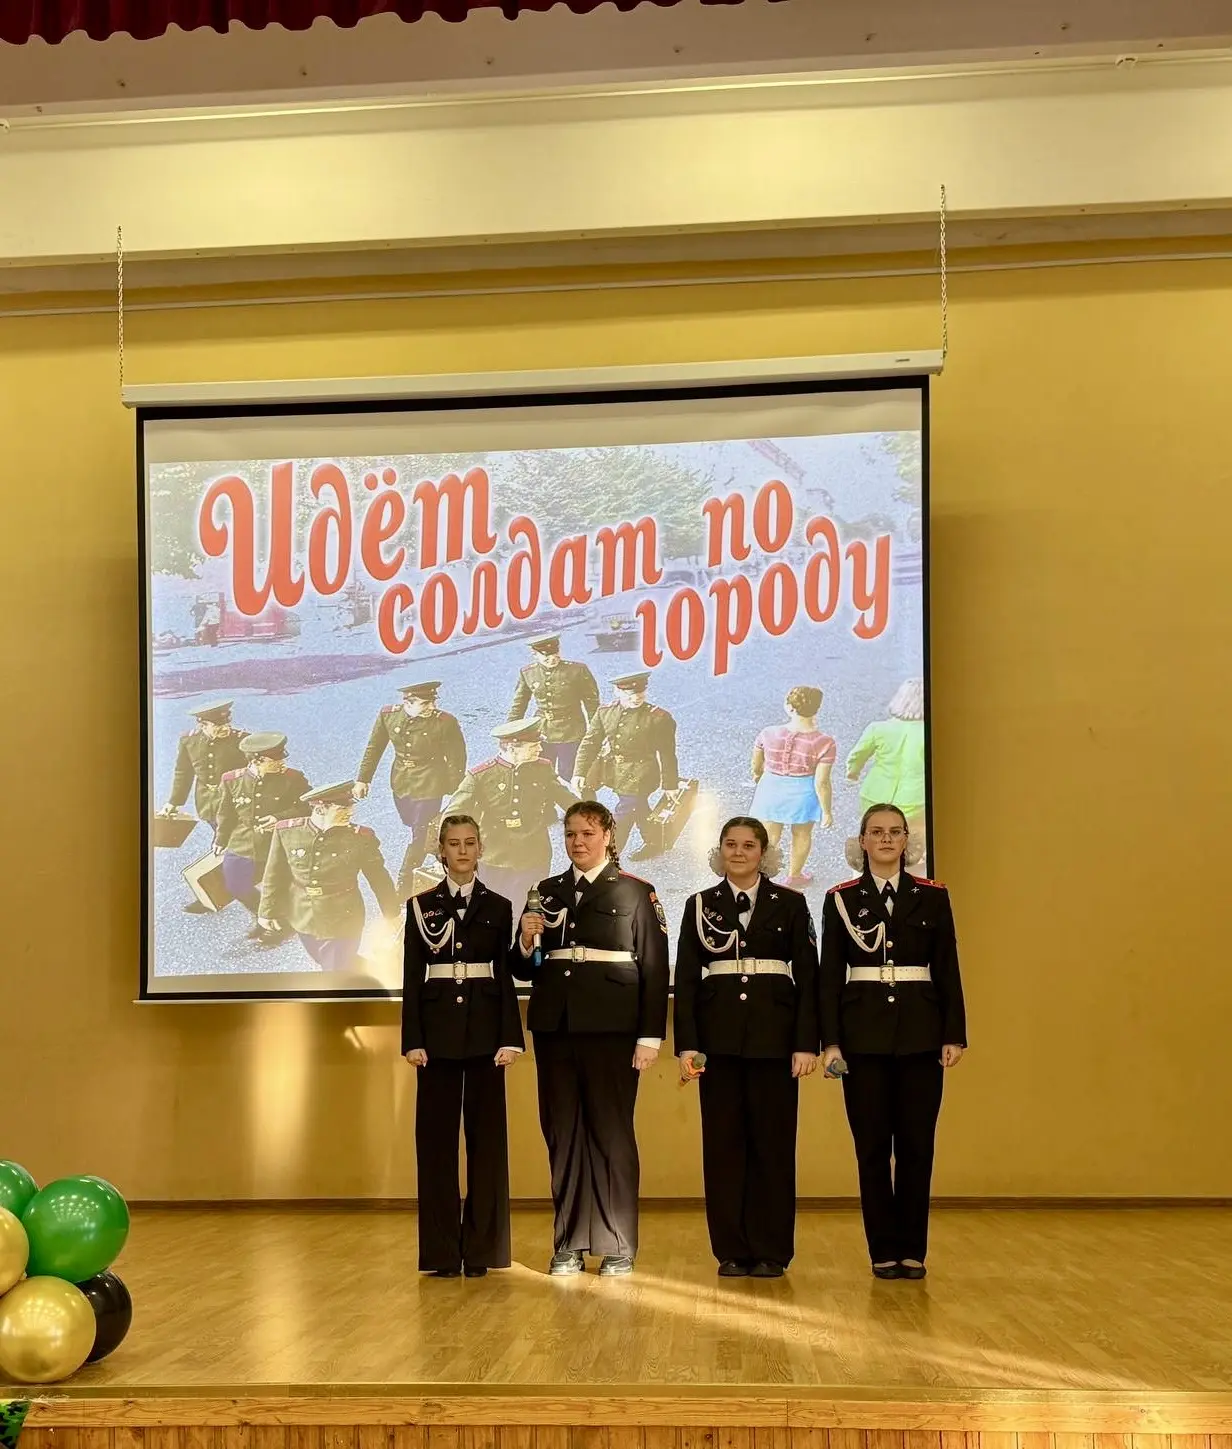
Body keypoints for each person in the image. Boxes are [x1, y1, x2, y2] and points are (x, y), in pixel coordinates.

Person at [515, 800, 669, 1277]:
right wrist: (525, 940)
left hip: (613, 1028)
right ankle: (569, 1243)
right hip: (557, 1028)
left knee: (611, 1133)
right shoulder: (545, 892)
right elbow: (525, 968)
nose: (577, 842)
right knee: (562, 1134)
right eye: (570, 834)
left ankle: (618, 1243)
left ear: (607, 835)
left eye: (587, 833)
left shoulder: (636, 891)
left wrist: (650, 1036)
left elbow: (654, 966)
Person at [819, 803, 967, 1280]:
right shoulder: (841, 899)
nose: (886, 839)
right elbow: (829, 975)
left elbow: (947, 967)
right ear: (862, 841)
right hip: (862, 1039)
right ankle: (882, 1249)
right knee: (871, 1148)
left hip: (921, 1036)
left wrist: (953, 1033)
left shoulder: (933, 896)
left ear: (907, 841)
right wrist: (831, 1042)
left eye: (895, 832)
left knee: (917, 1147)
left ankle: (912, 1250)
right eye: (877, 832)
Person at [674, 817, 819, 1277]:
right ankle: (731, 1250)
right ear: (719, 850)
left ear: (763, 852)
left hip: (775, 1041)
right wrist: (688, 1046)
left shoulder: (791, 903)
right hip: (718, 1043)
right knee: (723, 1148)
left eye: (749, 845)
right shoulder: (700, 904)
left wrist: (806, 1043)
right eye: (731, 844)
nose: (739, 852)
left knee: (773, 1148)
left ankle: (772, 1250)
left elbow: (809, 978)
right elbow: (687, 979)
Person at [402, 814, 525, 1278]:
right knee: (435, 1146)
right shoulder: (421, 906)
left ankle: (482, 1250)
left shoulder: (499, 906)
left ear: (481, 848)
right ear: (441, 850)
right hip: (435, 1038)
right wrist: (412, 1040)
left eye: (470, 842)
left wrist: (510, 1038)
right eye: (453, 843)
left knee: (487, 1145)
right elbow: (412, 977)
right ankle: (440, 1253)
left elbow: (504, 976)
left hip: (485, 1036)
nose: (462, 850)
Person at [432, 718, 578, 909]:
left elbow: (566, 799)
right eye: (533, 746)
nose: (540, 749)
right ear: (512, 748)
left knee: (528, 908)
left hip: (534, 853)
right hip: (494, 855)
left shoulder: (542, 768)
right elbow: (454, 815)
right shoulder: (481, 775)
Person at [258, 781, 401, 970]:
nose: (350, 813)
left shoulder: (361, 838)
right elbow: (274, 873)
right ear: (320, 809)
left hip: (342, 917)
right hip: (303, 915)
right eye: (342, 809)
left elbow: (379, 879)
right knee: (329, 961)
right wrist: (266, 911)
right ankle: (376, 973)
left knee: (334, 971)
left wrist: (392, 913)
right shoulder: (287, 832)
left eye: (351, 807)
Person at [354, 681, 467, 876]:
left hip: (430, 781)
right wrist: (363, 779)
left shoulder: (445, 721)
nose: (431, 707)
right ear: (408, 703)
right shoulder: (388, 715)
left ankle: (406, 876)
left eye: (433, 702)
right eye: (425, 704)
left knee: (420, 829)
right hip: (401, 780)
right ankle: (438, 852)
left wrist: (455, 786)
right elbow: (374, 747)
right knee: (410, 821)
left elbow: (457, 757)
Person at [572, 672, 680, 859]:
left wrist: (670, 784)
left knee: (624, 813)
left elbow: (667, 753)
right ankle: (654, 841)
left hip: (642, 772)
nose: (636, 698)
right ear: (617, 692)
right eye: (630, 694)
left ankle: (606, 857)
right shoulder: (605, 712)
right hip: (616, 771)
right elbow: (590, 743)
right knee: (638, 808)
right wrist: (579, 772)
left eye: (640, 693)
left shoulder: (659, 718)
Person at [213, 732, 310, 931]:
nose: (282, 762)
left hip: (277, 843)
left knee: (279, 885)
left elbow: (309, 807)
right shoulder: (231, 780)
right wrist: (220, 840)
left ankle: (278, 923)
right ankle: (263, 915)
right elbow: (226, 814)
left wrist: (279, 817)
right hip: (242, 843)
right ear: (257, 761)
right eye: (275, 760)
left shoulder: (292, 778)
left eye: (282, 757)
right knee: (235, 885)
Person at [162, 701, 248, 913]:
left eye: (227, 723)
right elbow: (183, 772)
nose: (225, 728)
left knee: (231, 849)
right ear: (203, 725)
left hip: (237, 807)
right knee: (226, 849)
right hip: (208, 804)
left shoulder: (243, 741)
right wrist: (174, 803)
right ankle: (214, 894)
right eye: (218, 725)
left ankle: (230, 894)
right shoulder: (189, 740)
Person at [750, 685, 836, 887]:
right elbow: (822, 782)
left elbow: (756, 764)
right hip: (803, 793)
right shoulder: (824, 742)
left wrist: (758, 775)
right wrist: (827, 811)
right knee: (802, 834)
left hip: (771, 789)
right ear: (816, 709)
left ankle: (761, 877)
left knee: (770, 836)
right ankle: (794, 876)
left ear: (789, 707)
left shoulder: (768, 733)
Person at [846, 680, 927, 862]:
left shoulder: (878, 728)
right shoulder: (928, 732)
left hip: (875, 793)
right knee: (914, 837)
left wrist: (853, 772)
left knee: (873, 835)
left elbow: (857, 755)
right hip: (914, 797)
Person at [507, 634, 600, 781]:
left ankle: (586, 796)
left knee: (571, 774)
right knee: (540, 775)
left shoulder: (577, 671)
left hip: (571, 732)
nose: (552, 659)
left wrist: (596, 733)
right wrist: (509, 732)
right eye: (546, 656)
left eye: (555, 655)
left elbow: (592, 704)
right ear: (535, 654)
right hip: (542, 731)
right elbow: (519, 704)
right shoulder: (528, 673)